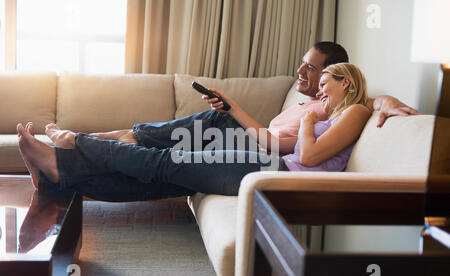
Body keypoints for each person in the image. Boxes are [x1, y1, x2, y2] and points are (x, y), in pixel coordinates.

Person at [17, 63, 371, 201]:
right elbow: (275, 142)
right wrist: (231, 106)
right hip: (269, 164)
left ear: (347, 83)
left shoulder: (355, 111)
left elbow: (308, 157)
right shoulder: (334, 115)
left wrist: (308, 120)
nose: (319, 92)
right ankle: (56, 177)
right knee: (161, 181)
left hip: (276, 176)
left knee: (164, 162)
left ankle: (76, 144)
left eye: (325, 84)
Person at [43, 42, 420, 155]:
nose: (302, 74)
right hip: (250, 141)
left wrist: (383, 100)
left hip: (255, 149)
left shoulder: (330, 107)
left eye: (311, 70)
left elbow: (365, 102)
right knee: (175, 136)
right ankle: (97, 142)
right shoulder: (306, 104)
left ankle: (95, 140)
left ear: (334, 76)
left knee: (198, 128)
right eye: (303, 66)